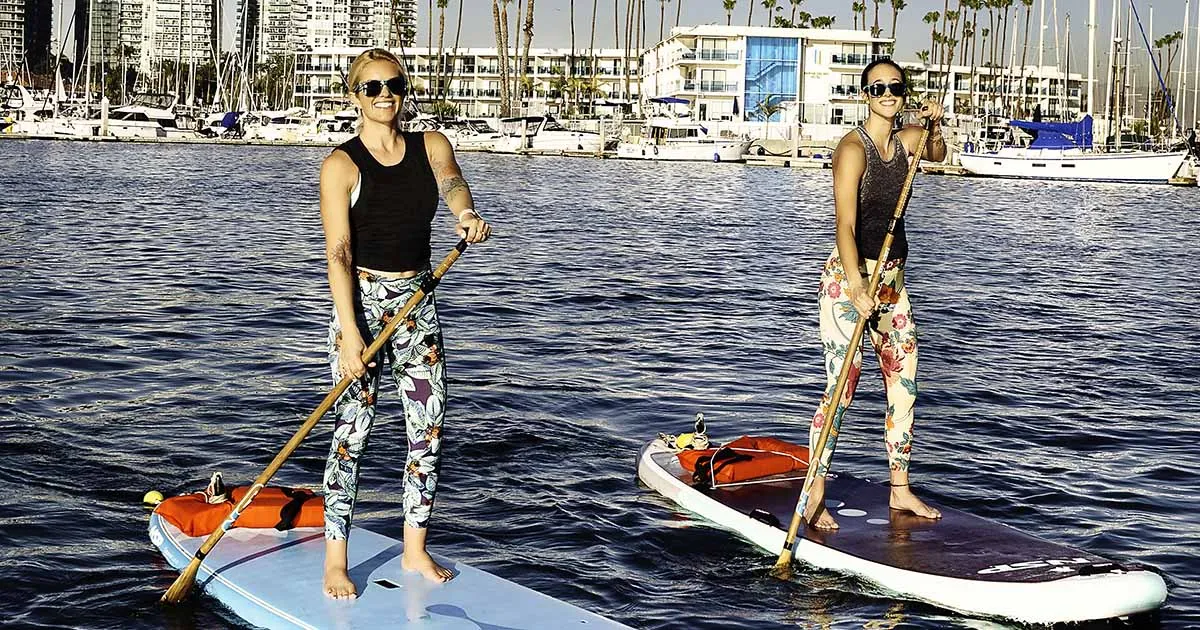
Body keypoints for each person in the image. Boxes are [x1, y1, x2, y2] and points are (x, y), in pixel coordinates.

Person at [317, 48, 492, 598]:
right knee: (352, 433)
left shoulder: (430, 144)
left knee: (429, 427)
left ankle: (413, 550)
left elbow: (452, 182)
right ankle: (335, 560)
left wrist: (464, 213)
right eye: (371, 87)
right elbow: (339, 255)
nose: (384, 94)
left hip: (418, 301)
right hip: (361, 305)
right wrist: (349, 335)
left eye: (393, 83)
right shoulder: (340, 165)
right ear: (355, 96)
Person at [804, 58, 946, 530]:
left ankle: (900, 490)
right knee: (841, 389)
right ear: (864, 95)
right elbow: (843, 225)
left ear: (904, 92)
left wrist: (934, 123)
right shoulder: (852, 150)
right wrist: (858, 286)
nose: (887, 94)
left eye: (895, 87)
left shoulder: (909, 140)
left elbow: (939, 154)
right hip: (851, 280)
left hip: (894, 282)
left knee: (904, 384)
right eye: (877, 88)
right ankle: (815, 490)